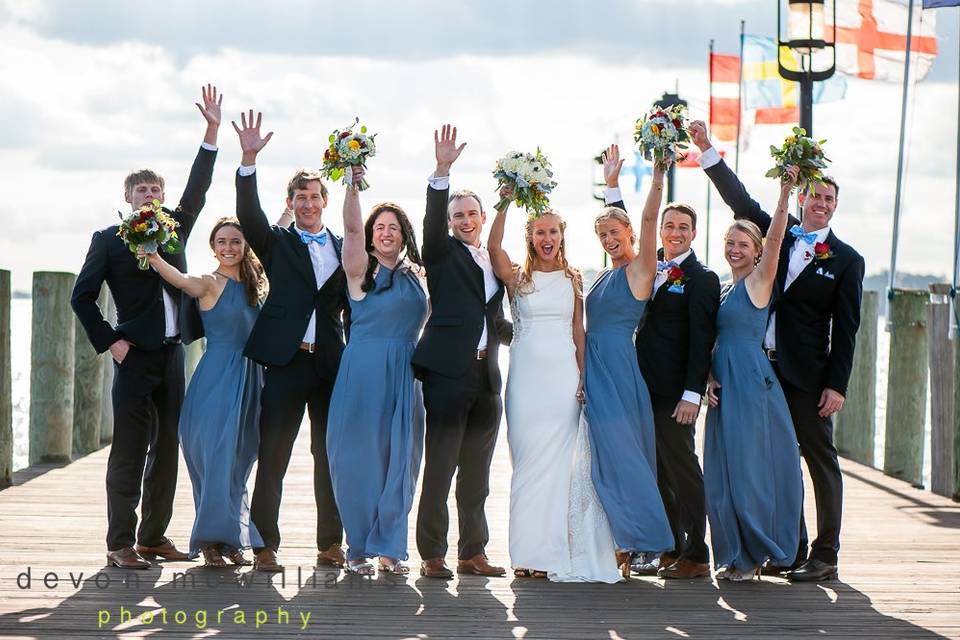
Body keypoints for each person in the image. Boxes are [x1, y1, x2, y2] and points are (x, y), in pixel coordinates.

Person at [690, 120, 864, 582]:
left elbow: (847, 329)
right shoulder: (778, 237)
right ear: (802, 198)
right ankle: (789, 548)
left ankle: (825, 553)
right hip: (757, 374)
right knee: (770, 462)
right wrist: (707, 150)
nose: (821, 204)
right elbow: (740, 202)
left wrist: (836, 384)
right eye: (816, 196)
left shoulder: (846, 260)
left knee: (817, 460)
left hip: (807, 377)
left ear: (835, 206)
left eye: (830, 199)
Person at [71, 85, 222, 569]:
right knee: (130, 451)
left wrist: (212, 132)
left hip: (173, 353)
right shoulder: (110, 240)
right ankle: (119, 543)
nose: (151, 195)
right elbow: (82, 297)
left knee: (169, 448)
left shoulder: (174, 227)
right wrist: (112, 342)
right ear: (128, 197)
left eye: (156, 189)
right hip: (133, 355)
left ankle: (153, 537)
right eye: (142, 190)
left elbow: (197, 187)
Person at [232, 110, 350, 572]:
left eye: (315, 197)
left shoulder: (345, 246)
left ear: (325, 200)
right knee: (274, 454)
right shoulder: (278, 243)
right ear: (292, 201)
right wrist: (248, 159)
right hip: (284, 362)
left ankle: (330, 543)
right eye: (300, 197)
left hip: (330, 365)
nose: (308, 204)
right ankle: (264, 545)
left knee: (329, 456)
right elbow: (248, 214)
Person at [487, 188, 621, 583]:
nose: (547, 239)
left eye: (553, 232)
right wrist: (506, 199)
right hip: (526, 383)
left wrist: (583, 378)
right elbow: (493, 245)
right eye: (539, 232)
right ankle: (526, 553)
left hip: (563, 381)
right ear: (530, 237)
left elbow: (578, 333)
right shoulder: (517, 277)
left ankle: (552, 552)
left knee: (561, 470)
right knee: (528, 466)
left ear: (562, 235)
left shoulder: (573, 277)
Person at [602, 144, 719, 579]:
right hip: (640, 387)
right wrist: (612, 187)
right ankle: (670, 546)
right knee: (658, 468)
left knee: (683, 468)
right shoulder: (647, 268)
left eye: (683, 227)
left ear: (693, 233)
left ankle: (696, 554)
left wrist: (692, 394)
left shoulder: (702, 279)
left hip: (675, 393)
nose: (673, 231)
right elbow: (630, 229)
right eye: (669, 225)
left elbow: (702, 340)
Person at [139, 217, 267, 567]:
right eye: (222, 241)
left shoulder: (257, 283)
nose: (228, 247)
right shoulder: (211, 283)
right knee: (216, 459)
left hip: (252, 379)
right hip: (217, 379)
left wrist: (286, 211)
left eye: (236, 241)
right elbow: (180, 280)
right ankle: (212, 541)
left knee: (239, 461)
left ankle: (230, 540)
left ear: (245, 246)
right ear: (213, 247)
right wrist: (153, 256)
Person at [413, 125, 512, 579]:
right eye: (458, 216)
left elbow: (494, 318)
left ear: (483, 215)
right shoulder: (439, 251)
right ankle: (432, 554)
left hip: (487, 377)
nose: (465, 221)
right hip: (447, 374)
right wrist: (442, 173)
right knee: (441, 467)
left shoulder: (494, 258)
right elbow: (431, 225)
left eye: (472, 213)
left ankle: (473, 553)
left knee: (477, 473)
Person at [326, 167, 428, 576]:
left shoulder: (419, 276)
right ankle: (358, 547)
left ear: (404, 235)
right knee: (358, 459)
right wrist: (352, 184)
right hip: (364, 371)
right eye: (379, 227)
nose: (386, 232)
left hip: (407, 371)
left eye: (394, 227)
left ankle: (389, 547)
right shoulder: (359, 270)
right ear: (371, 235)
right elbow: (350, 228)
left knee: (402, 459)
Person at [704, 166, 804, 582]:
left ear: (756, 249)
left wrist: (783, 196)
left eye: (743, 243)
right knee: (722, 472)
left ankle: (754, 555)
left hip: (750, 381)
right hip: (723, 384)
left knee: (749, 470)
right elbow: (714, 339)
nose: (734, 249)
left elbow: (778, 238)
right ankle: (733, 552)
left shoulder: (760, 282)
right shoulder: (724, 289)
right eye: (729, 242)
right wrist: (708, 376)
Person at [585, 153, 674, 577]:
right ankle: (622, 540)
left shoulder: (641, 269)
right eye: (601, 234)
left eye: (613, 231)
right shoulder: (603, 275)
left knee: (629, 458)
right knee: (605, 459)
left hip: (619, 371)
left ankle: (651, 545)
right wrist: (611, 185)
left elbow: (649, 220)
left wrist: (658, 174)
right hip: (595, 371)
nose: (608, 238)